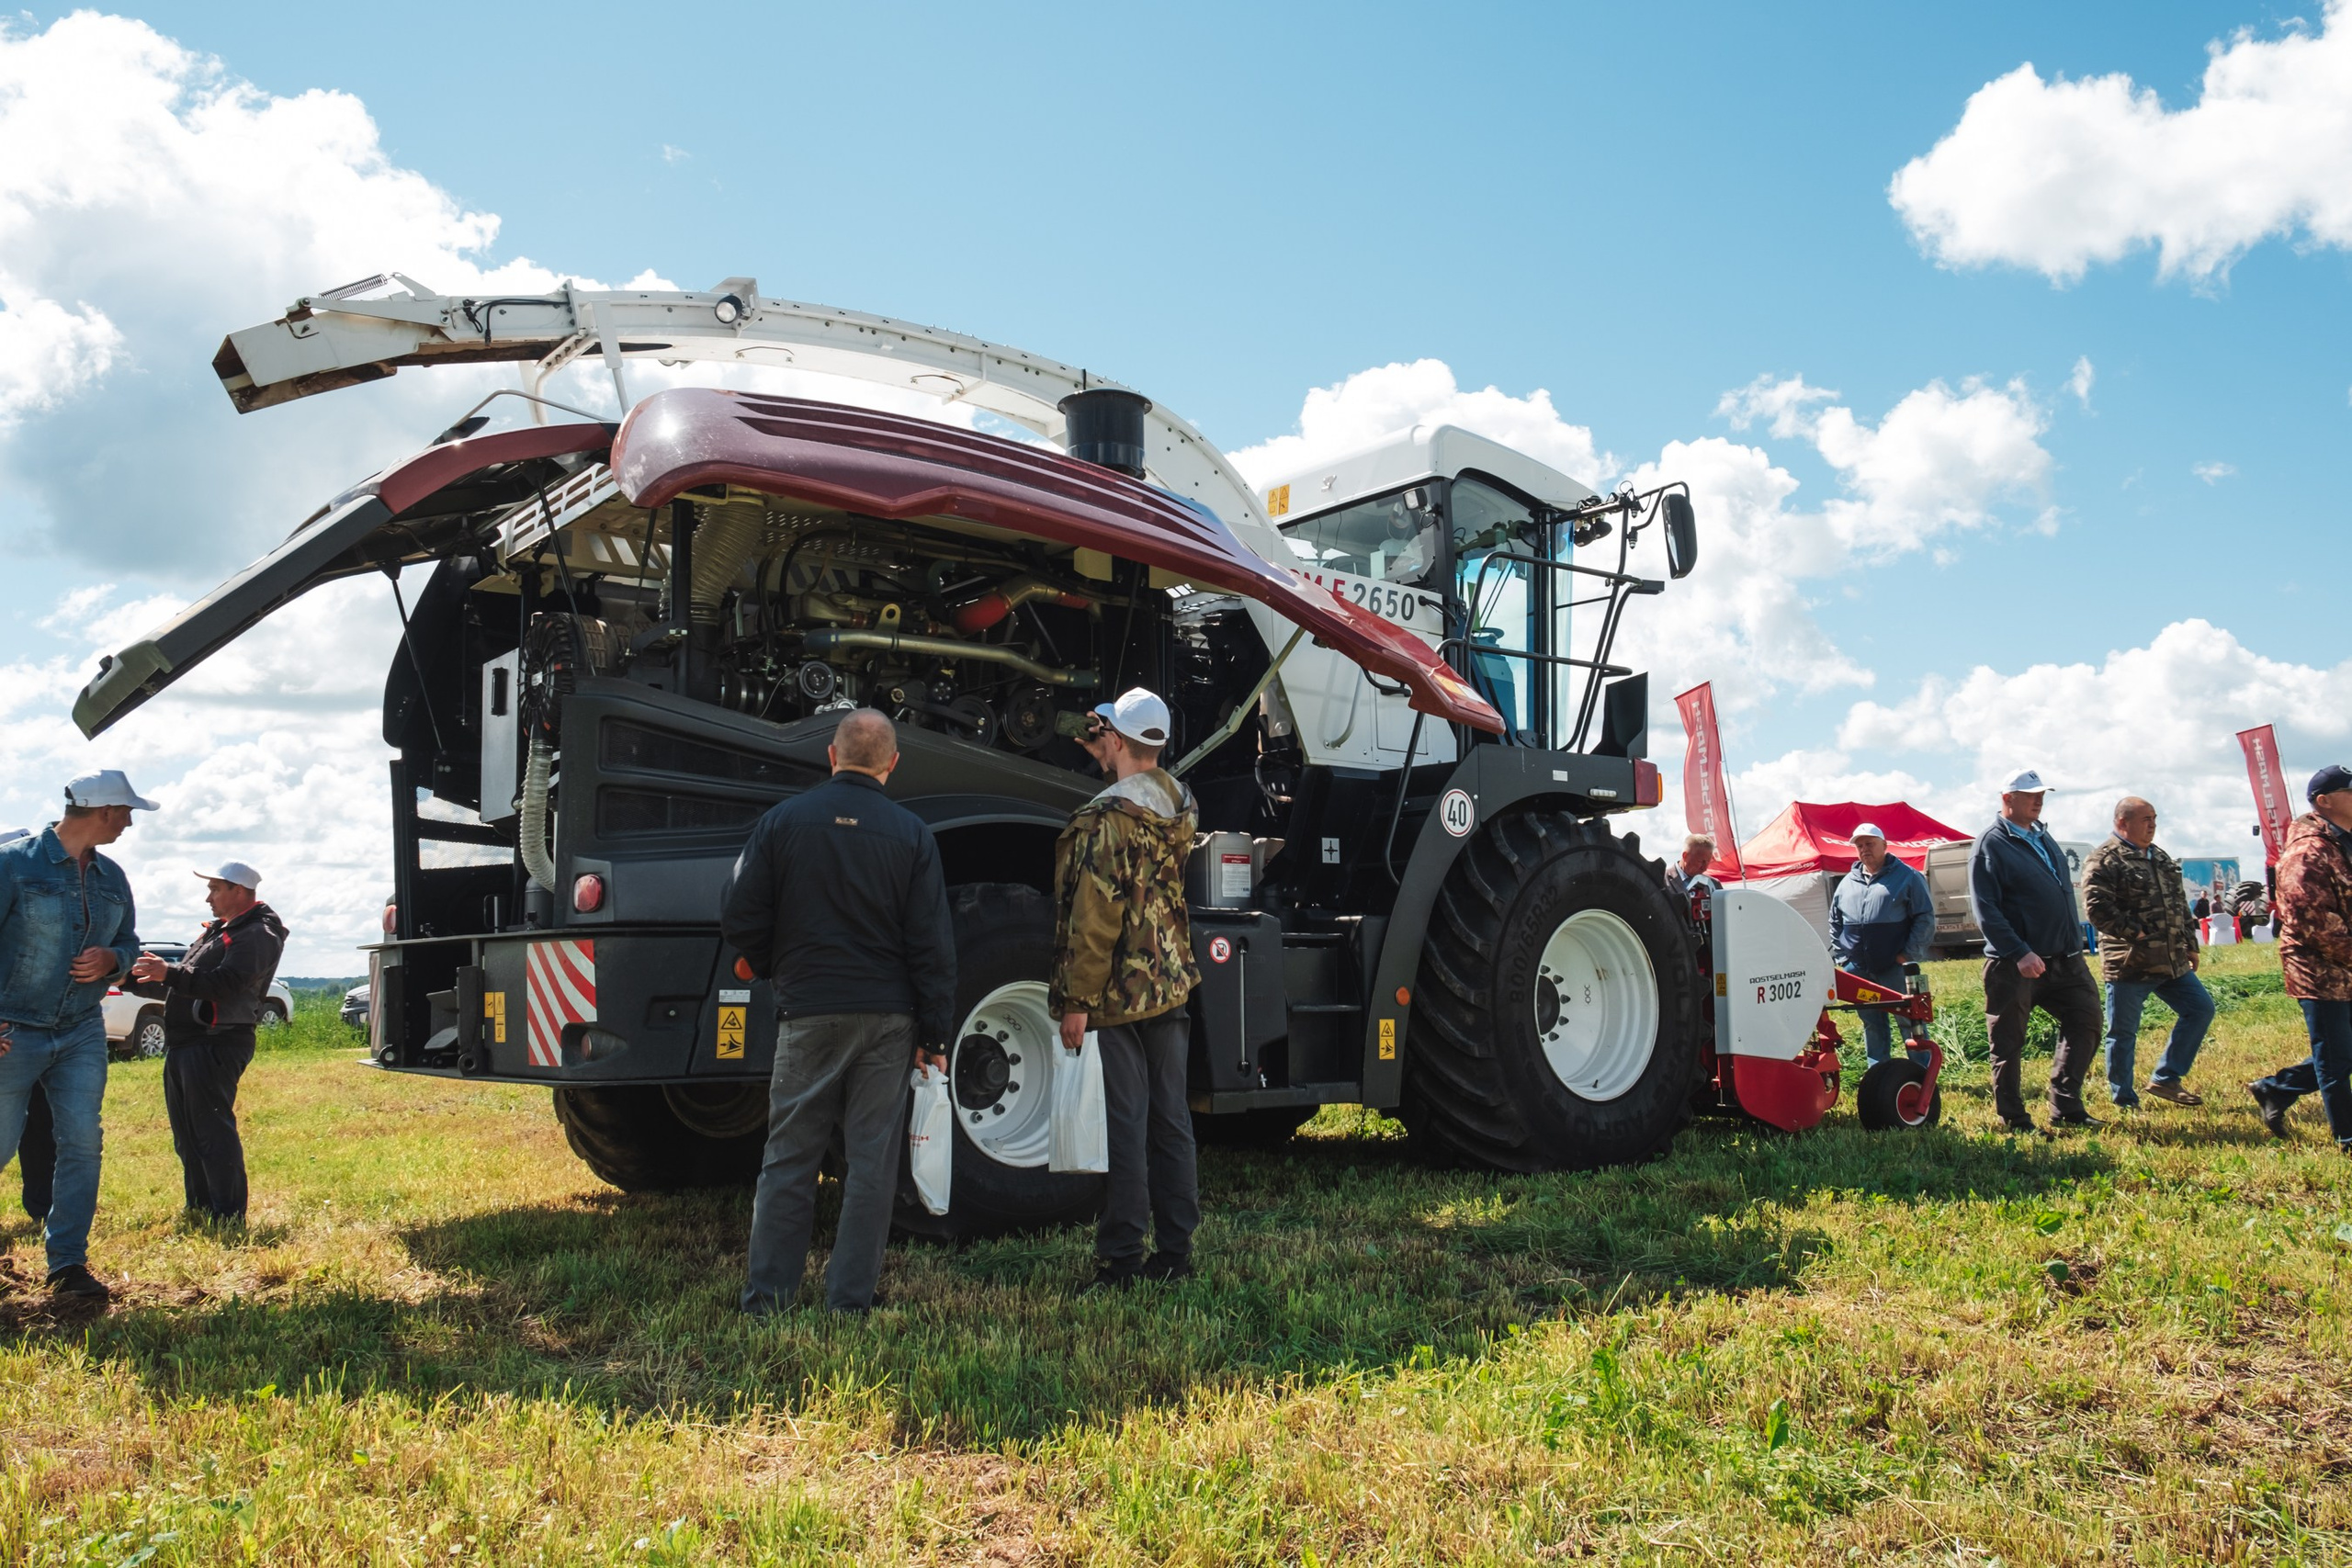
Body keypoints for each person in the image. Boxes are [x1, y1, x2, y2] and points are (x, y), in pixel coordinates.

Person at [722, 709, 954, 1314]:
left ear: (831, 755)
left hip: (808, 1009)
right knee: (872, 1163)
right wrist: (935, 1033)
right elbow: (932, 945)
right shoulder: (912, 835)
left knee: (789, 1157)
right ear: (893, 763)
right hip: (888, 1018)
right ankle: (850, 1301)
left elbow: (739, 913)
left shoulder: (781, 822)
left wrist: (779, 966)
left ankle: (768, 1299)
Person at [1051, 686, 1204, 1292]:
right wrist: (1113, 754)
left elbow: (1094, 919)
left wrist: (1077, 1001)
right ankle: (1177, 1251)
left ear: (1115, 738)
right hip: (1169, 983)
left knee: (1125, 1125)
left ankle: (1121, 1259)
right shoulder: (1180, 803)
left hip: (1117, 995)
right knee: (1171, 1121)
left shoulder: (1106, 819)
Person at [0, 771, 155, 1302]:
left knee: (82, 1143)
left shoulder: (113, 876)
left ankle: (67, 1265)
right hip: (13, 1030)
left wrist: (114, 959)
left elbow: (129, 944)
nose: (129, 823)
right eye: (126, 813)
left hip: (82, 1030)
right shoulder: (12, 864)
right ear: (104, 810)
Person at [127, 861, 287, 1226]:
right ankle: (201, 1207)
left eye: (215, 889)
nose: (208, 898)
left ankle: (227, 1213)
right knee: (188, 1134)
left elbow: (226, 984)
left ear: (239, 891)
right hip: (188, 1043)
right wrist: (132, 980)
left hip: (216, 1042)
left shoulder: (258, 934)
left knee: (211, 1132)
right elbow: (185, 986)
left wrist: (168, 972)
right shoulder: (220, 932)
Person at [1968, 768, 2103, 1132]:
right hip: (2015, 964)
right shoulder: (1991, 844)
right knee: (2008, 1042)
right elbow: (1986, 909)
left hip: (2066, 959)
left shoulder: (2043, 837)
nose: (2038, 801)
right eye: (2030, 795)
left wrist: (2074, 946)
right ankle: (2014, 1118)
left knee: (2087, 1021)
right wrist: (2019, 952)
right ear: (2007, 799)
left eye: (2042, 795)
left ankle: (2066, 1106)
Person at [2081, 797, 2211, 1111]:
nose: (2152, 825)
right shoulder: (2105, 859)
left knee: (2200, 1009)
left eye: (2154, 818)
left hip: (2171, 961)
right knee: (2123, 1032)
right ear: (2122, 822)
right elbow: (2097, 908)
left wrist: (2190, 943)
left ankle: (2166, 1077)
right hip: (2130, 963)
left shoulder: (2160, 857)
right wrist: (2136, 934)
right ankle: (2124, 1099)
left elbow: (2179, 903)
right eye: (2145, 819)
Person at [2248, 764, 2352, 1147]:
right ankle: (2347, 1137)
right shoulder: (2307, 852)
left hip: (2346, 965)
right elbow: (2312, 921)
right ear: (2324, 801)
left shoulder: (2343, 842)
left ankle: (2276, 1089)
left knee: (2342, 1051)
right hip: (2319, 970)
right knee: (2335, 1058)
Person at [1827, 823, 1935, 1066]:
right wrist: (1844, 957)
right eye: (1859, 845)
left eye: (1870, 844)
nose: (1864, 849)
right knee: (1871, 1023)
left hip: (1895, 967)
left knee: (1910, 1019)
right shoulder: (1847, 882)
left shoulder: (1908, 877)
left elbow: (1925, 918)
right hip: (1859, 969)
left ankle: (1921, 1073)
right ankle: (1878, 1073)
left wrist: (1908, 955)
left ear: (1884, 845)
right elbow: (1834, 921)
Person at [1665, 833, 1719, 904]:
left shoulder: (1714, 884)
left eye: (1708, 862)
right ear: (1685, 856)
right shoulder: (1662, 880)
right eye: (1700, 861)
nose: (1705, 868)